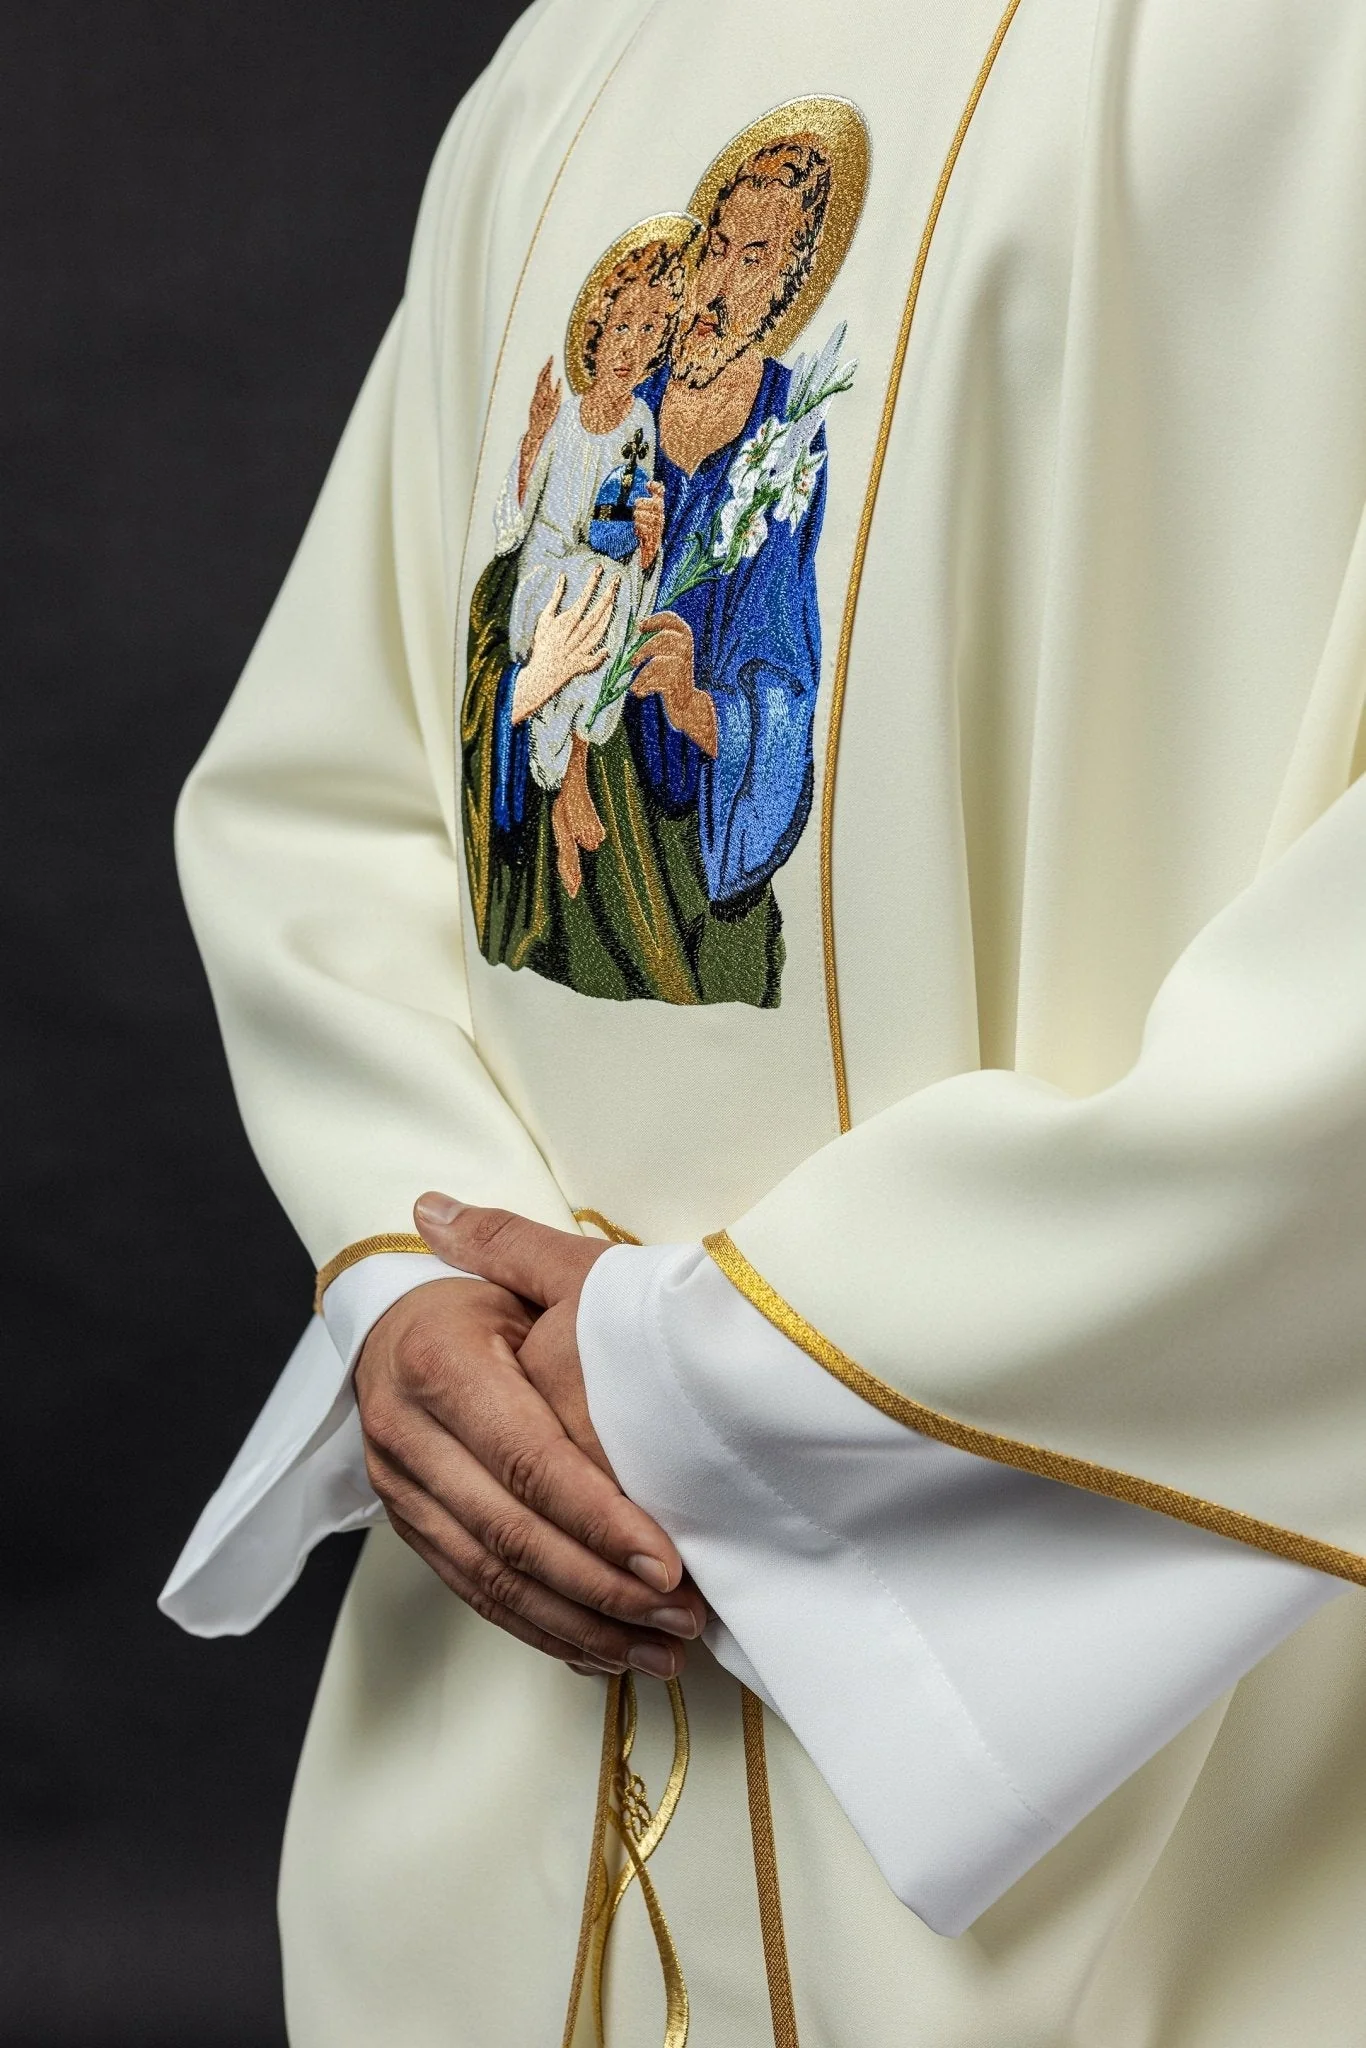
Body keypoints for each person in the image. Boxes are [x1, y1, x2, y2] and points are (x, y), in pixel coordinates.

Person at [160, 2, 1366, 2043]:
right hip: (509, 1670)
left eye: (755, 257)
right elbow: (345, 773)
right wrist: (404, 1268)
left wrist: (749, 1379)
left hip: (1151, 1731)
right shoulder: (580, 58)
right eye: (718, 249)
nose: (723, 278)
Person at [489, 225, 685, 895]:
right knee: (591, 582)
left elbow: (625, 529)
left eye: (650, 331)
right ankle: (566, 786)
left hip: (602, 578)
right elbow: (514, 527)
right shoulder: (566, 419)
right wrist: (530, 443)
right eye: (622, 326)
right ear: (596, 332)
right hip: (544, 581)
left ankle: (572, 776)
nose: (631, 346)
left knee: (612, 584)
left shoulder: (640, 426)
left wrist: (648, 541)